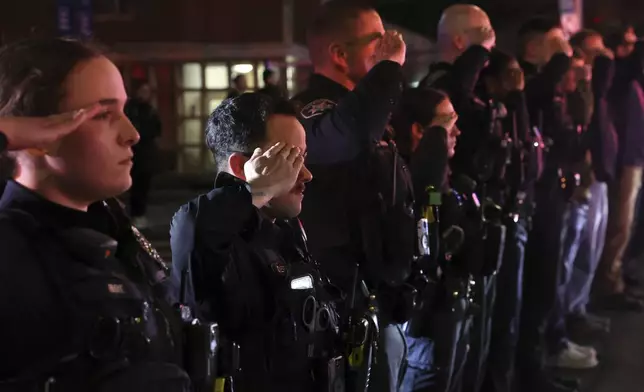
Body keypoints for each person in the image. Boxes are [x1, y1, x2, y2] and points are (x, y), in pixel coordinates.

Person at [0, 38, 190, 391]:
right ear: (39, 133)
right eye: (104, 115)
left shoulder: (113, 229)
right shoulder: (12, 253)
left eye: (123, 111)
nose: (131, 134)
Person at [169, 93, 344, 392]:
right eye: (290, 159)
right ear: (241, 166)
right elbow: (199, 230)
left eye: (304, 159)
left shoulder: (285, 230)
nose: (307, 174)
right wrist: (256, 190)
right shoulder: (203, 229)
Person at [291, 2, 411, 390]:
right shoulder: (312, 112)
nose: (391, 46)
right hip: (340, 297)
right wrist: (388, 69)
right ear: (340, 55)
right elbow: (350, 137)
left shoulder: (365, 106)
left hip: (377, 289)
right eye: (379, 41)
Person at [516, 18, 595, 392]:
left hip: (551, 194)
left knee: (546, 285)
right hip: (535, 200)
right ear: (533, 49)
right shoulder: (526, 82)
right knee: (536, 288)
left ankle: (541, 364)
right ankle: (530, 372)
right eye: (554, 43)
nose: (564, 49)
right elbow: (540, 94)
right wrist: (560, 61)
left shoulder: (549, 85)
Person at [389, 87, 462, 392]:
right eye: (447, 122)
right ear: (419, 131)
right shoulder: (402, 179)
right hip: (421, 321)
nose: (456, 131)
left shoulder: (435, 179)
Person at [565, 29, 617, 335]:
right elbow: (585, 118)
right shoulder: (578, 81)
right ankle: (569, 315)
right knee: (577, 252)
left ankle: (578, 308)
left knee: (592, 249)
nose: (601, 58)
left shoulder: (596, 83)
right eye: (594, 52)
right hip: (582, 177)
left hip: (597, 172)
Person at [596, 25, 644, 311]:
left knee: (627, 225)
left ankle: (617, 277)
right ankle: (609, 285)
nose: (634, 45)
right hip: (625, 158)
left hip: (634, 156)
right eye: (627, 41)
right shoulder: (617, 74)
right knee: (619, 225)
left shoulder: (630, 75)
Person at [125, 78, 162, 228]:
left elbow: (157, 129)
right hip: (134, 152)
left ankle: (140, 214)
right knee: (134, 186)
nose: (145, 94)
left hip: (146, 153)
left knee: (144, 185)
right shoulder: (130, 109)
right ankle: (135, 214)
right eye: (142, 91)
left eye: (147, 91)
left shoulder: (150, 109)